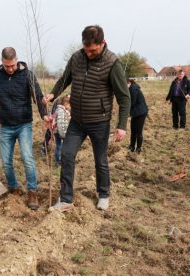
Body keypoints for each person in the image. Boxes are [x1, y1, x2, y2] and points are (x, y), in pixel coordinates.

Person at [45, 25, 131, 211]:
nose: (89, 53)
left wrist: (122, 125)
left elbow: (124, 98)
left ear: (103, 43)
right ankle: (66, 199)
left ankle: (103, 194)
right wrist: (53, 94)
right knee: (67, 154)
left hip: (99, 121)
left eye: (93, 50)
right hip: (77, 120)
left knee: (100, 160)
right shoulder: (77, 58)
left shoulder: (112, 63)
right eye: (86, 49)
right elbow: (64, 79)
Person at [0, 47, 48, 210]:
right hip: (6, 126)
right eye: (6, 66)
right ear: (2, 62)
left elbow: (38, 96)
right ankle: (14, 187)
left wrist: (44, 115)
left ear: (17, 60)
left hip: (24, 124)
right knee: (5, 161)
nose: (10, 69)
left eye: (12, 65)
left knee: (27, 157)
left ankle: (32, 190)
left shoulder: (27, 75)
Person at [128, 78, 148, 153]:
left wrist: (126, 107)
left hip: (141, 112)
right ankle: (132, 146)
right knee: (133, 130)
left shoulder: (133, 89)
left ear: (129, 83)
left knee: (138, 131)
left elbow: (132, 102)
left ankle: (138, 149)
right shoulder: (132, 88)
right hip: (135, 112)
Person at [53, 95, 71, 165]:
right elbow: (60, 123)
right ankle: (58, 161)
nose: (70, 107)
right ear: (66, 104)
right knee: (59, 146)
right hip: (60, 132)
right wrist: (62, 134)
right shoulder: (61, 111)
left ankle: (61, 159)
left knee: (60, 145)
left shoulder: (63, 110)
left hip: (60, 132)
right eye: (70, 105)